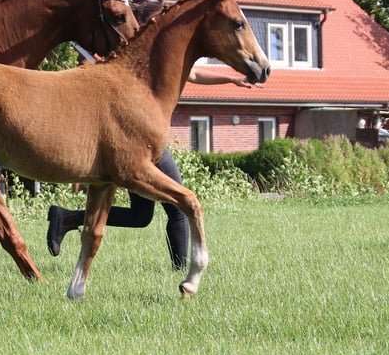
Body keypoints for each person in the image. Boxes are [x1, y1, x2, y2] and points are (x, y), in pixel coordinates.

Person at [46, 67, 258, 270]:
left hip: (144, 140)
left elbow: (193, 73)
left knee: (141, 216)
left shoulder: (163, 59)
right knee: (179, 208)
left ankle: (66, 218)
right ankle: (180, 269)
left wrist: (230, 79)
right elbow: (191, 73)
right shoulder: (154, 60)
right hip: (146, 142)